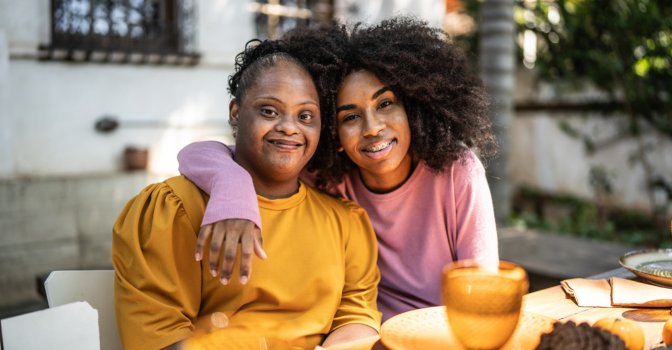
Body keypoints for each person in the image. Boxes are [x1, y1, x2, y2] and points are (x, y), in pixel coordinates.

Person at [178, 17, 500, 323]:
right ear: (334, 134)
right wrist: (232, 187)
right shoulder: (327, 177)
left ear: (413, 107)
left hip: (445, 332)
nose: (372, 128)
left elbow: (481, 287)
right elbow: (200, 154)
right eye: (350, 117)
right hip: (361, 334)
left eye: (385, 104)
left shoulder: (456, 171)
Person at [112, 39, 381, 350]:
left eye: (306, 116)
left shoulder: (345, 222)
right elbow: (160, 336)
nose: (289, 127)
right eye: (269, 111)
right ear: (236, 113)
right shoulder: (174, 209)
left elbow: (356, 317)